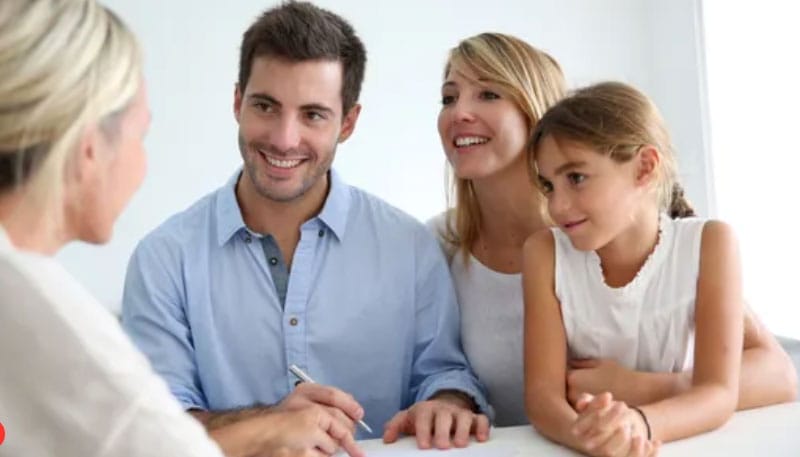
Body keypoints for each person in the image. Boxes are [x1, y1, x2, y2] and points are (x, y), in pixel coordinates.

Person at [121, 1, 491, 453]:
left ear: (348, 123)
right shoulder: (163, 260)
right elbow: (155, 426)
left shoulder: (409, 246)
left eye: (313, 114)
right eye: (266, 106)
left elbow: (443, 373)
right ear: (238, 102)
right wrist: (270, 422)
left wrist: (446, 402)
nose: (283, 138)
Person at [0, 1, 341, 457]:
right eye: (140, 136)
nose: (284, 138)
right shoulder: (46, 316)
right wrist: (268, 430)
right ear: (88, 150)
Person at [430, 33, 797, 428]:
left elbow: (777, 374)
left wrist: (645, 390)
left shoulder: (611, 232)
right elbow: (431, 369)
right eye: (449, 97)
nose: (459, 113)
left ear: (535, 110)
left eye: (488, 94)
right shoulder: (438, 244)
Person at [523, 81, 753, 455]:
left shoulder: (711, 244)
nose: (558, 206)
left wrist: (638, 425)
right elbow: (541, 397)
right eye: (548, 185)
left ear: (644, 168)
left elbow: (718, 392)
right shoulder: (544, 253)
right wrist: (589, 437)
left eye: (576, 178)